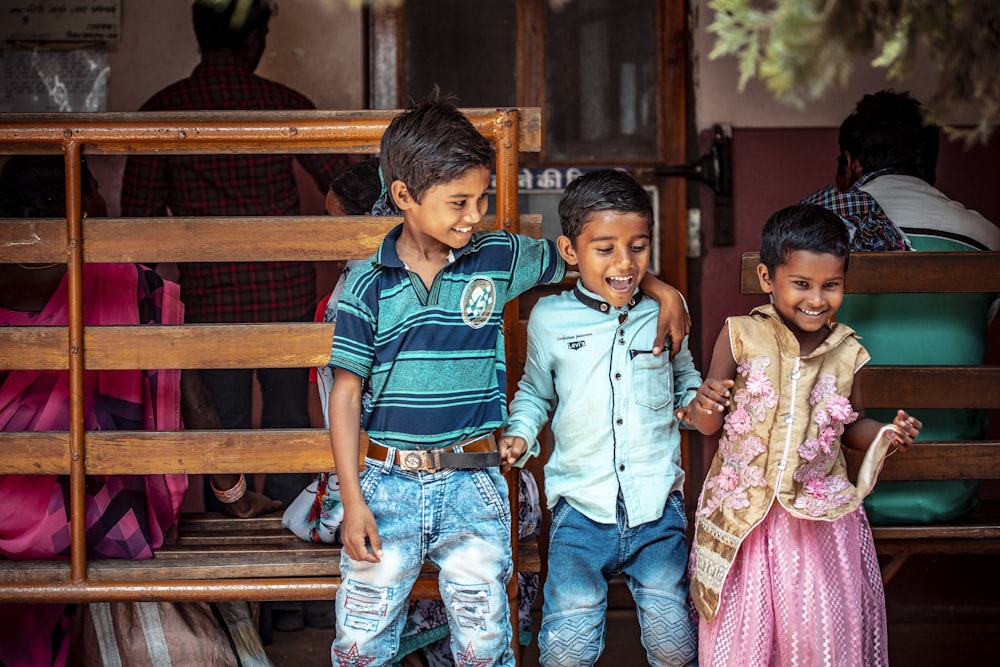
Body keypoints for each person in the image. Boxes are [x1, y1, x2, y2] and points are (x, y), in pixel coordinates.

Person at [326, 92, 690, 666]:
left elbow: (597, 258)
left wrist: (662, 289)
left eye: (482, 198)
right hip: (385, 483)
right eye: (459, 202)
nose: (474, 216)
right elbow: (345, 396)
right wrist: (351, 500)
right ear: (403, 197)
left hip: (473, 482)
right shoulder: (367, 287)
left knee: (484, 641)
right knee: (361, 640)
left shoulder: (498, 256)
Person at [0, 155, 278, 666]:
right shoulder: (128, 283)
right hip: (97, 523)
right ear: (80, 204)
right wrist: (235, 498)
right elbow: (196, 404)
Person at [119, 0, 353, 518]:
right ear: (255, 40)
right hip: (285, 297)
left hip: (210, 303)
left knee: (220, 426)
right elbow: (350, 186)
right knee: (290, 419)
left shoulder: (163, 111)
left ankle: (232, 541)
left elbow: (138, 224)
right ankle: (294, 539)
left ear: (201, 37)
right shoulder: (285, 104)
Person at [685, 204, 922, 666]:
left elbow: (851, 425)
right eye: (801, 284)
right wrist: (705, 403)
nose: (817, 298)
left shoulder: (848, 351)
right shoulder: (739, 335)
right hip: (745, 519)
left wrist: (887, 434)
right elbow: (708, 423)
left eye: (831, 285)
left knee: (815, 632)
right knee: (743, 636)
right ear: (766, 278)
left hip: (816, 523)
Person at [499, 169, 707, 667]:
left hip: (657, 505)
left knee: (674, 642)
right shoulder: (550, 319)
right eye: (605, 248)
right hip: (579, 508)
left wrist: (700, 405)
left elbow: (686, 381)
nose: (625, 263)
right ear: (570, 251)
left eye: (638, 247)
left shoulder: (663, 313)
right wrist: (520, 433)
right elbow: (534, 392)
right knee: (566, 646)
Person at [802, 89, 1000, 525]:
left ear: (852, 163)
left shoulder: (811, 244)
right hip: (951, 484)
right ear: (929, 166)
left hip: (834, 488)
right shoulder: (987, 240)